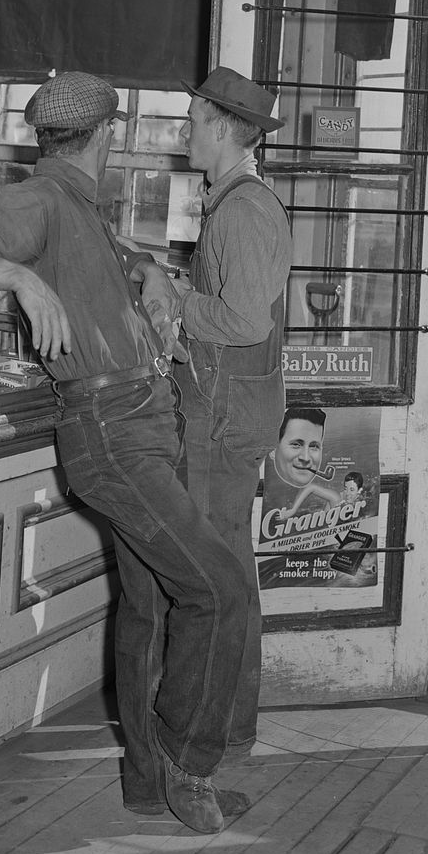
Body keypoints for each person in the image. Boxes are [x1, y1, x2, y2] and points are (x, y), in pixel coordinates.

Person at [0, 71, 253, 834]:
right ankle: (189, 769)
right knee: (219, 589)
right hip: (113, 431)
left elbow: (113, 258)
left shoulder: (78, 204)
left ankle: (144, 779)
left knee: (149, 602)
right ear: (109, 135)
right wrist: (19, 282)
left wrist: (151, 271)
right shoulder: (41, 199)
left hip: (132, 422)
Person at [166, 67, 293, 768]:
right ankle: (229, 726)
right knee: (229, 576)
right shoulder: (237, 200)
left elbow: (242, 321)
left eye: (191, 120)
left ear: (220, 127)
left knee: (214, 582)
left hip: (221, 423)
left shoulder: (243, 210)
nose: (184, 130)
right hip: (229, 415)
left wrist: (172, 300)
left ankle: (208, 738)